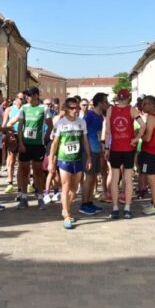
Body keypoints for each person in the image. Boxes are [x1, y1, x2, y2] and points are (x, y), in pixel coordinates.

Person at [48, 97, 93, 229]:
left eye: (77, 108)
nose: (75, 110)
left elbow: (85, 141)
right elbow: (54, 143)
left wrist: (89, 157)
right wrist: (51, 161)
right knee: (66, 185)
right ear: (66, 109)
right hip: (64, 159)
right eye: (72, 108)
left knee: (74, 189)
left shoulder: (82, 122)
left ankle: (66, 207)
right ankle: (67, 215)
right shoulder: (61, 123)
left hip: (77, 158)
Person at [103, 88, 145, 219]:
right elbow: (143, 126)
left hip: (115, 148)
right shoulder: (132, 110)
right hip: (128, 149)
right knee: (128, 179)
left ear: (117, 98)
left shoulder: (111, 110)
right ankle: (127, 208)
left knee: (115, 179)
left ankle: (115, 208)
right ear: (128, 98)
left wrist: (106, 148)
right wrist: (136, 139)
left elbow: (107, 131)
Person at [17, 87, 53, 210]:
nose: (27, 98)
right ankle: (24, 197)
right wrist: (20, 143)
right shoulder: (24, 108)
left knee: (38, 172)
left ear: (37, 95)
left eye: (30, 95)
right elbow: (20, 127)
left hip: (38, 145)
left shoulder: (44, 108)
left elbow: (50, 125)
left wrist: (46, 139)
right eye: (26, 95)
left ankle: (40, 198)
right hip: (25, 144)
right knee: (24, 171)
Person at [79, 92, 108, 216]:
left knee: (93, 178)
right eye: (106, 102)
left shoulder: (100, 116)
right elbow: (82, 132)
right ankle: (84, 204)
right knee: (89, 178)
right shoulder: (89, 115)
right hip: (88, 151)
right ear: (100, 103)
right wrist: (86, 151)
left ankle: (90, 202)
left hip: (96, 150)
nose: (107, 104)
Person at [3, 95, 23, 194]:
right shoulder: (9, 109)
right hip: (12, 135)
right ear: (16, 99)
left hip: (23, 136)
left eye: (24, 98)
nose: (22, 100)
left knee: (22, 161)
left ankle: (23, 183)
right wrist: (6, 134)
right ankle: (10, 182)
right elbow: (4, 124)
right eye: (20, 98)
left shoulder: (26, 108)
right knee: (11, 160)